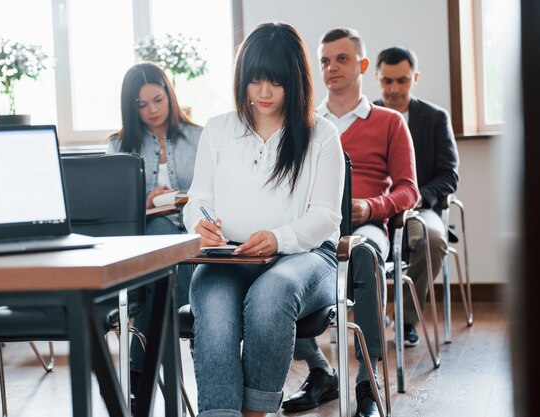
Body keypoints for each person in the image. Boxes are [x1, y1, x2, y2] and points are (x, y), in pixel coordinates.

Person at [182, 22, 345, 417]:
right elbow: (197, 199)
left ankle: (256, 412)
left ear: (296, 80)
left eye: (276, 82)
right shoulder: (219, 129)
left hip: (306, 259)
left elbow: (326, 216)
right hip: (231, 256)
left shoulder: (322, 135)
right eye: (255, 82)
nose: (265, 93)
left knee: (271, 294)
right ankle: (218, 413)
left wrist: (278, 237)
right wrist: (198, 224)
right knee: (214, 305)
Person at [282, 28, 418, 417]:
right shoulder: (304, 123)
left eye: (341, 59)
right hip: (314, 227)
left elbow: (409, 190)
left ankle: (367, 383)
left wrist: (371, 207)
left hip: (365, 224)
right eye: (324, 61)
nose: (331, 68)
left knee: (366, 254)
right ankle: (321, 372)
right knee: (278, 274)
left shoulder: (390, 122)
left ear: (361, 65)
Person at [106, 62, 202, 407]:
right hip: (147, 238)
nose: (152, 111)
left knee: (175, 260)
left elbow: (215, 191)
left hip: (195, 229)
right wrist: (143, 201)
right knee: (167, 249)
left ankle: (136, 372)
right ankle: (200, 338)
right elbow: (112, 210)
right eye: (141, 105)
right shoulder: (119, 144)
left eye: (158, 100)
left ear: (170, 94)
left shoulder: (199, 136)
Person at [373, 46, 459, 346]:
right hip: (375, 209)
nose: (394, 89)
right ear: (376, 78)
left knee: (433, 240)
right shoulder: (366, 115)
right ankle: (371, 313)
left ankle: (406, 318)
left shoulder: (435, 118)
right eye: (387, 81)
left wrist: (419, 198)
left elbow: (449, 175)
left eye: (402, 81)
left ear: (415, 78)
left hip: (418, 208)